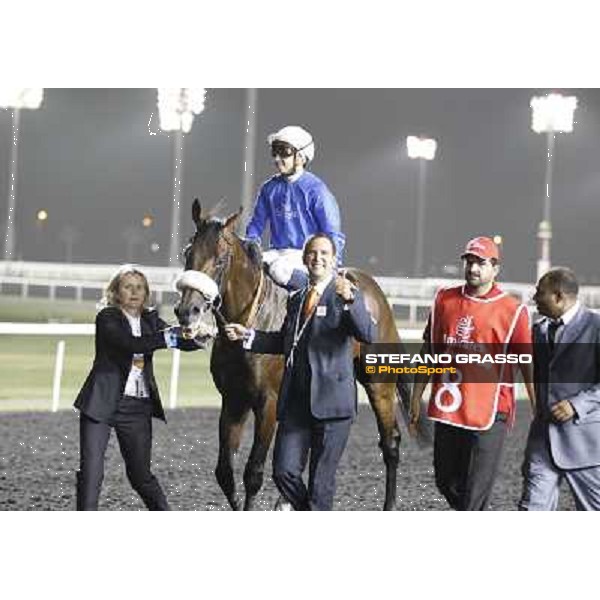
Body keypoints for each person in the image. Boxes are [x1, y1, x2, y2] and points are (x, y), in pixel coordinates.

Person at [224, 233, 375, 510]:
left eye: (324, 254)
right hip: (296, 403)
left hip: (332, 406)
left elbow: (367, 334)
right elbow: (284, 342)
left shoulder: (346, 294)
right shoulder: (295, 300)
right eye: (312, 253)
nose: (317, 258)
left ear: (333, 260)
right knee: (283, 472)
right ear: (305, 259)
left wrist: (352, 301)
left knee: (321, 484)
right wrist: (247, 336)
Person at [408, 236, 535, 510]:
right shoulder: (443, 299)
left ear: (495, 268)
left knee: (474, 497)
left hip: (491, 414)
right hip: (449, 409)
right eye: (470, 261)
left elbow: (527, 364)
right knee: (446, 482)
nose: (474, 268)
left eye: (481, 263)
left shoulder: (514, 310)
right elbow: (428, 351)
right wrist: (416, 397)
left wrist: (539, 409)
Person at [74, 264, 200, 510]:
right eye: (128, 287)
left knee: (141, 476)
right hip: (100, 403)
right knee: (91, 472)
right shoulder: (107, 317)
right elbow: (130, 344)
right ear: (116, 292)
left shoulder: (151, 320)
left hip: (137, 408)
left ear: (146, 293)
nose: (134, 292)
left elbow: (182, 340)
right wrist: (170, 336)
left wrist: (198, 335)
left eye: (140, 288)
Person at [519, 267, 600, 510]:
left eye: (539, 293)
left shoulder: (596, 327)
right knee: (532, 510)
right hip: (542, 441)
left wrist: (578, 405)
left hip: (585, 445)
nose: (534, 298)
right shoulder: (539, 330)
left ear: (558, 297)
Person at [245, 125, 346, 289]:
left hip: (307, 256)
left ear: (300, 157)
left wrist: (333, 267)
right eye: (274, 152)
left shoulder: (316, 190)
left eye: (283, 152)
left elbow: (332, 233)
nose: (277, 158)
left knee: (279, 270)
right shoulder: (268, 188)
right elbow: (256, 225)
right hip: (276, 254)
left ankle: (309, 300)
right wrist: (250, 245)